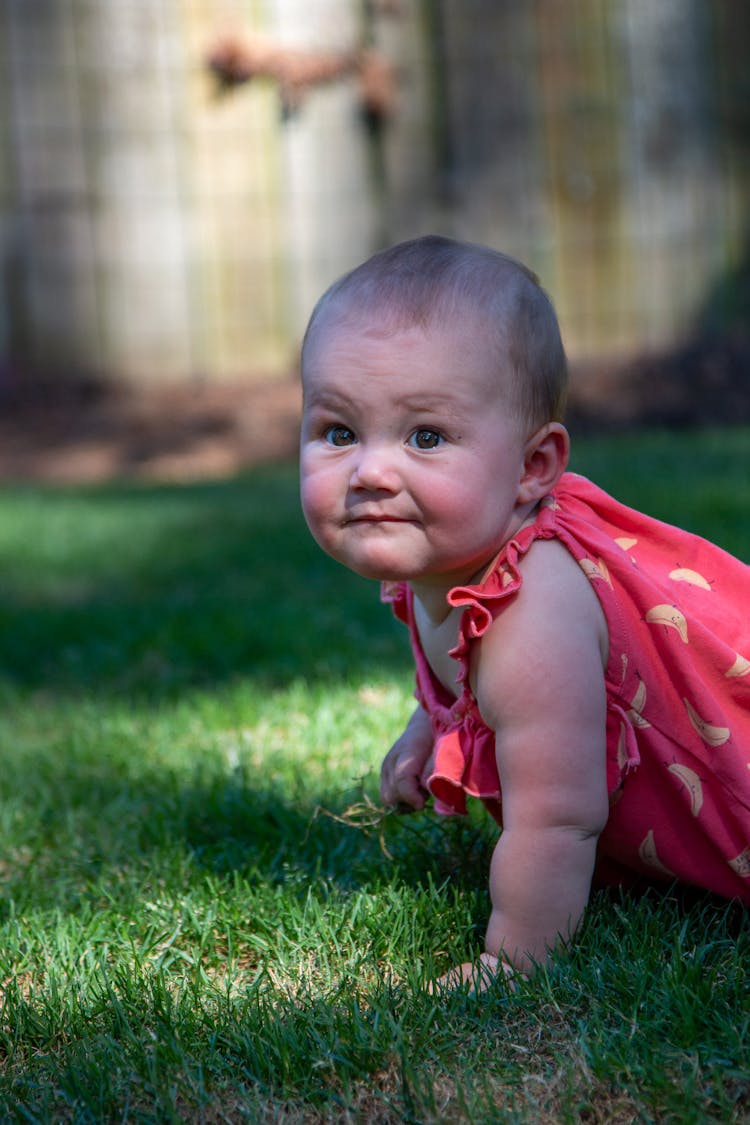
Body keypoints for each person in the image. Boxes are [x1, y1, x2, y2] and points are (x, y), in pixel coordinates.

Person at [298, 235, 750, 990]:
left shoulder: (532, 608)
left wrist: (514, 957)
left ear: (533, 467)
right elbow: (470, 681)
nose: (372, 471)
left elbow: (559, 816)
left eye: (426, 436)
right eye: (339, 432)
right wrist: (428, 728)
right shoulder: (442, 560)